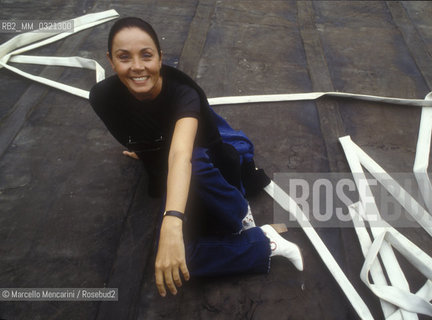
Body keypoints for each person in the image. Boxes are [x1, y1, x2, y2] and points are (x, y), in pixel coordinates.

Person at [89, 17, 303, 298]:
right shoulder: (103, 97)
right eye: (124, 57)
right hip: (175, 166)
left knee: (195, 165)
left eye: (146, 55)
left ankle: (241, 216)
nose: (137, 66)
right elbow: (137, 133)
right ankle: (266, 243)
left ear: (160, 57)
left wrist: (172, 222)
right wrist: (144, 150)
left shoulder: (184, 95)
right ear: (110, 60)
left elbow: (180, 156)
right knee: (175, 263)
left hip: (207, 162)